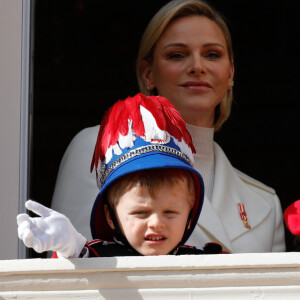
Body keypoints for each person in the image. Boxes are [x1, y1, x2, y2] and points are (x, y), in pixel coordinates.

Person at [51, 0, 285, 253]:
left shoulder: (265, 203)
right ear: (148, 73)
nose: (197, 67)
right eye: (177, 55)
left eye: (212, 54)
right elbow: (73, 276)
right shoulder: (101, 147)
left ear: (230, 73)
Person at [17, 94, 225, 257]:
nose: (156, 223)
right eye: (141, 213)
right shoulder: (99, 257)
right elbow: (82, 262)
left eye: (170, 212)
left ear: (189, 217)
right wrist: (69, 248)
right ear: (110, 216)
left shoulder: (208, 261)